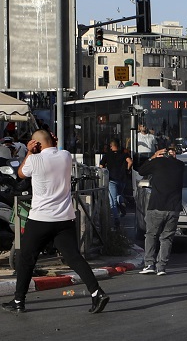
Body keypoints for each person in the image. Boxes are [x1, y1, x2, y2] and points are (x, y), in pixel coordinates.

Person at [3, 130, 110, 314]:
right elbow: (54, 148)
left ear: (36, 144)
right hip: (64, 218)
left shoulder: (34, 160)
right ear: (53, 140)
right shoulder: (66, 156)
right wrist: (50, 142)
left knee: (26, 258)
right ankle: (96, 293)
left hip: (40, 219)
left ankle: (19, 300)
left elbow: (20, 174)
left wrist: (29, 152)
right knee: (74, 258)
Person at [138, 146, 185, 276]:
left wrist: (153, 157)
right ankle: (162, 267)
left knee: (151, 235)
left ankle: (149, 264)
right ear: (174, 154)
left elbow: (141, 171)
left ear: (162, 154)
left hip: (157, 206)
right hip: (174, 208)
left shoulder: (157, 163)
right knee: (167, 238)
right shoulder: (181, 165)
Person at [99, 138, 132, 229]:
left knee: (112, 201)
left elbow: (101, 166)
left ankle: (116, 219)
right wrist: (127, 170)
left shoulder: (107, 155)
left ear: (112, 146)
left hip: (112, 180)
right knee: (118, 195)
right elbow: (130, 162)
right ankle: (121, 202)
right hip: (122, 179)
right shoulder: (124, 154)